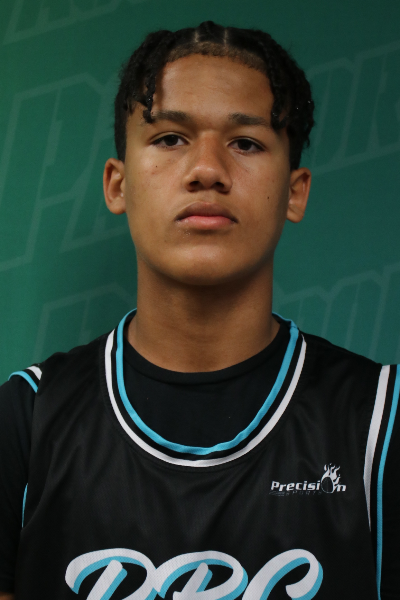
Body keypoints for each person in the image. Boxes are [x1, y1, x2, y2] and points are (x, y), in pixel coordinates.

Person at [0, 20, 398, 600]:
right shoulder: (25, 420)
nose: (207, 169)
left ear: (295, 191)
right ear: (117, 184)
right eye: (169, 138)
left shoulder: (380, 422)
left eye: (246, 143)